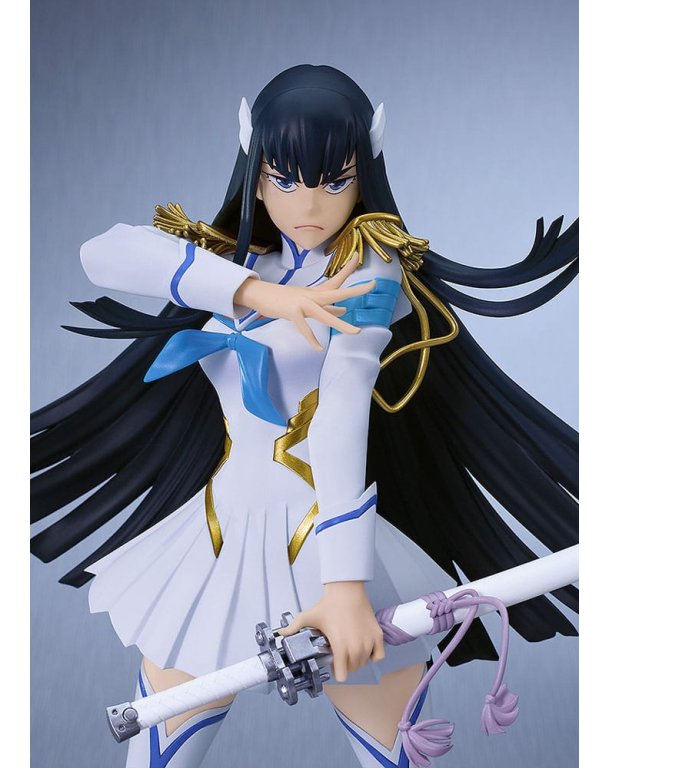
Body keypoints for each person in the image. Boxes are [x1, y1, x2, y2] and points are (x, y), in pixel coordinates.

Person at [31, 64, 579, 768]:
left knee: (390, 749)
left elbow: (341, 413)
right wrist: (262, 293)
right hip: (217, 534)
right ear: (255, 175)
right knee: (159, 746)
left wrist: (345, 586)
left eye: (334, 180)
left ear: (365, 174)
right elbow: (104, 254)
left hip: (324, 536)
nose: (309, 204)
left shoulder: (369, 271)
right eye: (285, 180)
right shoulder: (235, 262)